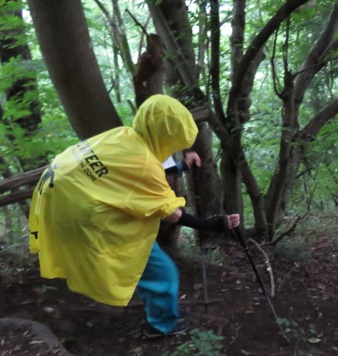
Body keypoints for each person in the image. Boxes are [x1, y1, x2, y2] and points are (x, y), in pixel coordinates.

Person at [29, 94, 240, 339]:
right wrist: (216, 224)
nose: (173, 148)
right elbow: (171, 213)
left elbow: (134, 171)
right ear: (164, 136)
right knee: (161, 272)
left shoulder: (123, 136)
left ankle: (149, 298)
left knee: (142, 253)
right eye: (173, 143)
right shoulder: (144, 165)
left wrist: (182, 165)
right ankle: (160, 327)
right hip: (89, 217)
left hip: (56, 199)